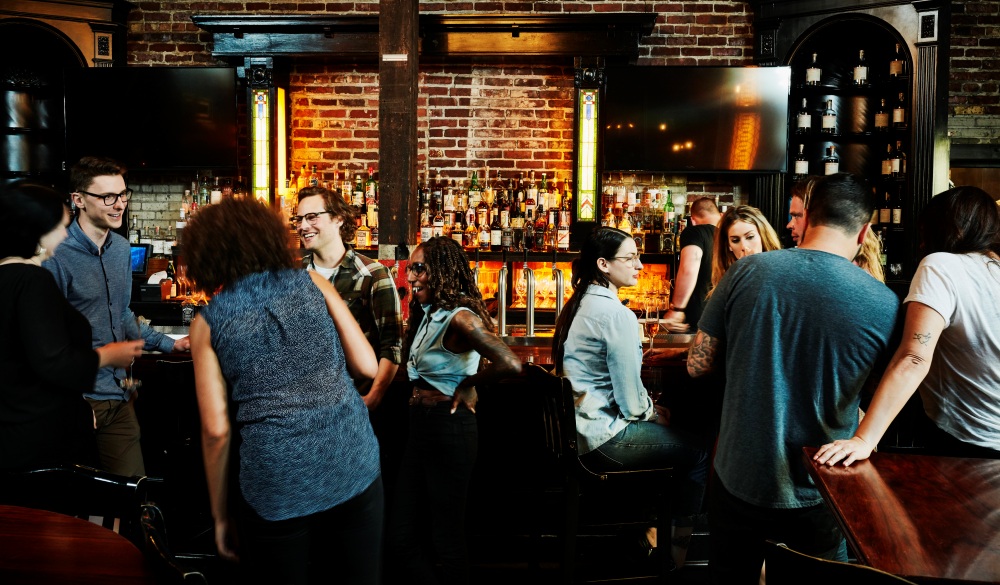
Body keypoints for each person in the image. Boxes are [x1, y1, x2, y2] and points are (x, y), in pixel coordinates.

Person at [687, 173, 900, 584]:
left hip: (740, 472)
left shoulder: (747, 270)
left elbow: (698, 365)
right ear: (864, 231)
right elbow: (879, 390)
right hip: (821, 482)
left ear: (807, 218)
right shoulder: (884, 302)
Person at [185, 198, 383, 584]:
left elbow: (216, 432)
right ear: (268, 238)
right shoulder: (313, 281)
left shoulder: (208, 322)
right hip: (351, 459)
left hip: (276, 480)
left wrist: (221, 517)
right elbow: (367, 366)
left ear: (206, 254)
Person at [552, 226, 708, 567]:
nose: (640, 265)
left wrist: (649, 412)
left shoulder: (580, 303)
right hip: (600, 440)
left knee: (675, 437)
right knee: (698, 453)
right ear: (604, 264)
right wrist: (653, 412)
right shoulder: (615, 314)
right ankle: (673, 554)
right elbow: (631, 403)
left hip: (577, 436)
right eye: (631, 258)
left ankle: (652, 532)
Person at [816, 186, 1000, 465]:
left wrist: (863, 439)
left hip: (969, 441)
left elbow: (914, 357)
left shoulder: (941, 266)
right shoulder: (994, 269)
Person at [43, 156, 189, 477]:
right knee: (79, 508)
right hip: (78, 400)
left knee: (132, 495)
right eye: (107, 196)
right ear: (78, 200)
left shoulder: (121, 249)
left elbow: (121, 314)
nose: (119, 204)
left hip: (119, 395)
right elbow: (49, 340)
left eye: (123, 195)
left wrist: (169, 344)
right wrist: (73, 403)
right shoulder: (56, 254)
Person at [389, 236, 522, 585]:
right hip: (421, 428)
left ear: (443, 273)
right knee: (400, 535)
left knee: (446, 538)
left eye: (419, 269)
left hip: (450, 429)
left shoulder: (460, 318)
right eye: (410, 269)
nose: (411, 277)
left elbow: (509, 363)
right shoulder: (429, 315)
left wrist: (468, 384)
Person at [1, 181, 143, 471]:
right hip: (37, 433)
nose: (65, 234)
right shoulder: (31, 280)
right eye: (59, 226)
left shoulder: (7, 276)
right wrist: (108, 356)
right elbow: (53, 361)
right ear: (38, 229)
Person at [295, 185, 403, 410]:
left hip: (351, 405)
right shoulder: (291, 276)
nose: (303, 226)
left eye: (312, 217)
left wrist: (374, 398)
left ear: (339, 219)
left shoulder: (372, 274)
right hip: (303, 409)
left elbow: (392, 345)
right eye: (299, 219)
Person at [663, 197, 721, 330]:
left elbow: (689, 268)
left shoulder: (694, 232)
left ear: (693, 220)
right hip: (723, 318)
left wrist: (677, 309)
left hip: (698, 318)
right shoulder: (732, 236)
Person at [709, 205, 782, 293]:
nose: (744, 246)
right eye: (735, 240)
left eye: (750, 237)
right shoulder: (728, 282)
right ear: (729, 246)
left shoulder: (781, 271)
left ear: (762, 236)